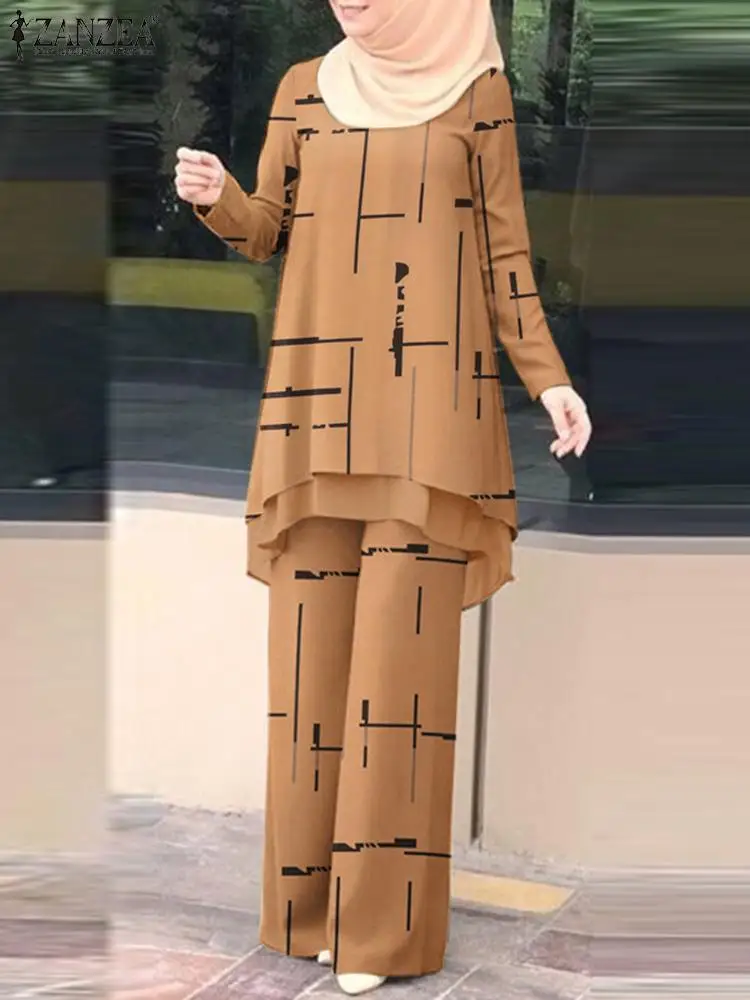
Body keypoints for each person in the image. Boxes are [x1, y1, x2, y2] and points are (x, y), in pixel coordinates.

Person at [174, 0, 591, 994]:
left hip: (428, 421)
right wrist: (221, 198)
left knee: (399, 688)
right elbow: (269, 229)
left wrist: (548, 378)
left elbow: (504, 259)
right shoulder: (304, 89)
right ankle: (309, 911)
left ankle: (380, 932)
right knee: (311, 682)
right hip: (314, 416)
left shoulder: (477, 95)